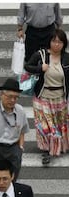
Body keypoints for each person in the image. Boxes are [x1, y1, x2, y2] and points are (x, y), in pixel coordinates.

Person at [24, 29, 69, 165]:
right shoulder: (41, 55)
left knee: (58, 124)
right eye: (54, 41)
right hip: (42, 96)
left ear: (64, 44)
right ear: (49, 42)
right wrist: (40, 69)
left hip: (60, 97)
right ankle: (45, 150)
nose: (56, 44)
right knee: (45, 125)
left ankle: (59, 145)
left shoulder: (66, 58)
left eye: (60, 42)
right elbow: (27, 66)